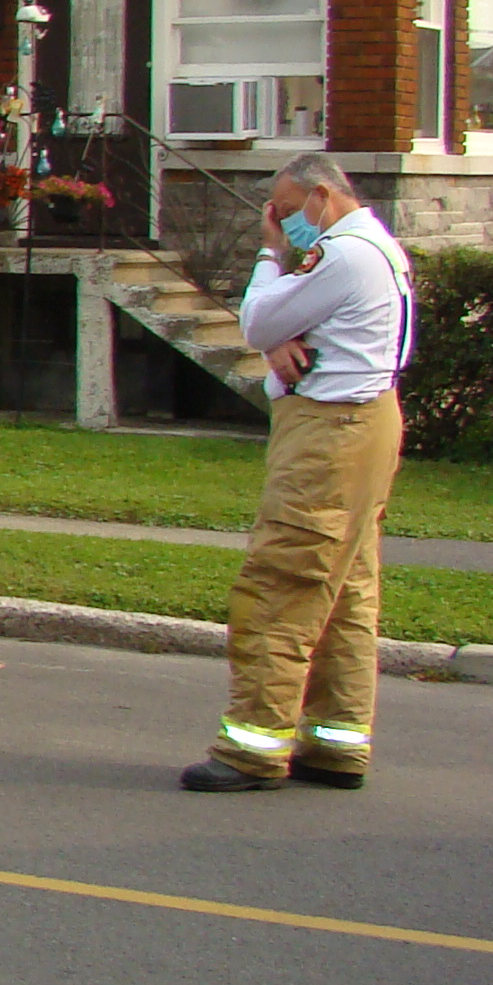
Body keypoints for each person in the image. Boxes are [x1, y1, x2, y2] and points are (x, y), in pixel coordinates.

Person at [181, 154, 416, 793]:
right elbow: (284, 326)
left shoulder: (342, 254)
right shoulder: (374, 247)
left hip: (329, 435)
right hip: (361, 428)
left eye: (284, 213)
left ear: (320, 196)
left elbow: (259, 318)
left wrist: (267, 256)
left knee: (280, 585)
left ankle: (252, 750)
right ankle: (336, 743)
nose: (281, 226)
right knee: (343, 594)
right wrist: (279, 333)